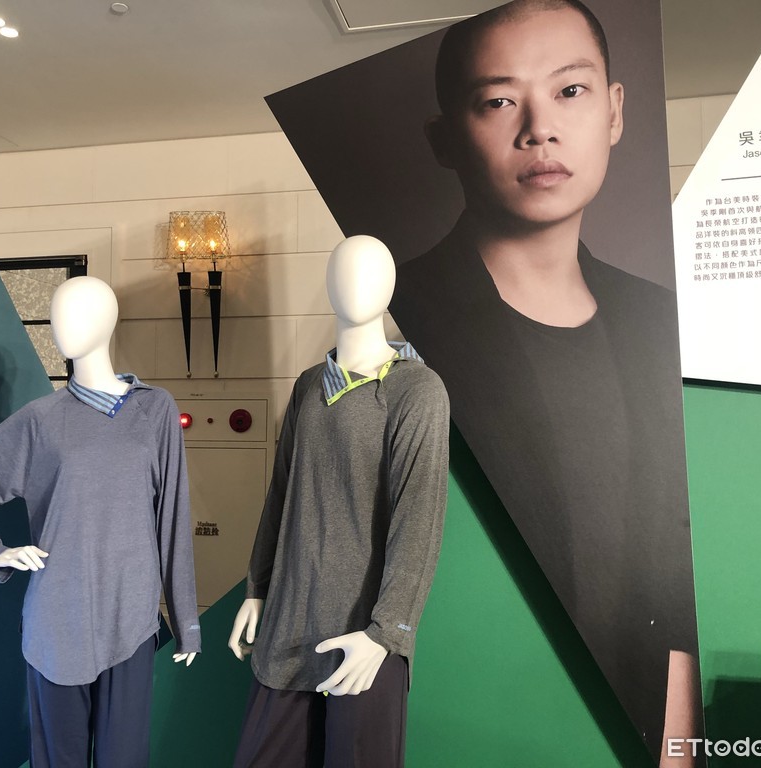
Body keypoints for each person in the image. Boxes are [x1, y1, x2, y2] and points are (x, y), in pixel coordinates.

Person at [387, 2, 700, 764]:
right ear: (445, 139)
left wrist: (679, 738)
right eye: (499, 101)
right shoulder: (398, 320)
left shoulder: (663, 320)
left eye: (569, 91)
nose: (540, 130)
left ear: (614, 111)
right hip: (476, 715)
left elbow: (677, 556)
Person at [0, 276, 199, 768]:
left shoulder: (154, 409)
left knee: (123, 759)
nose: (62, 325)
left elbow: (173, 516)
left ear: (109, 320)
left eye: (77, 312)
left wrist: (186, 619)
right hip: (56, 621)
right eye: (56, 312)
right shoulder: (40, 420)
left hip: (129, 615)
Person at [228, 236, 450, 768]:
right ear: (327, 284)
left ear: (391, 288)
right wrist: (257, 588)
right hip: (288, 626)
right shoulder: (308, 386)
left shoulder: (416, 390)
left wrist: (388, 631)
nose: (357, 285)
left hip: (364, 639)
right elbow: (282, 493)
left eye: (372, 274)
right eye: (345, 272)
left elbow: (418, 522)